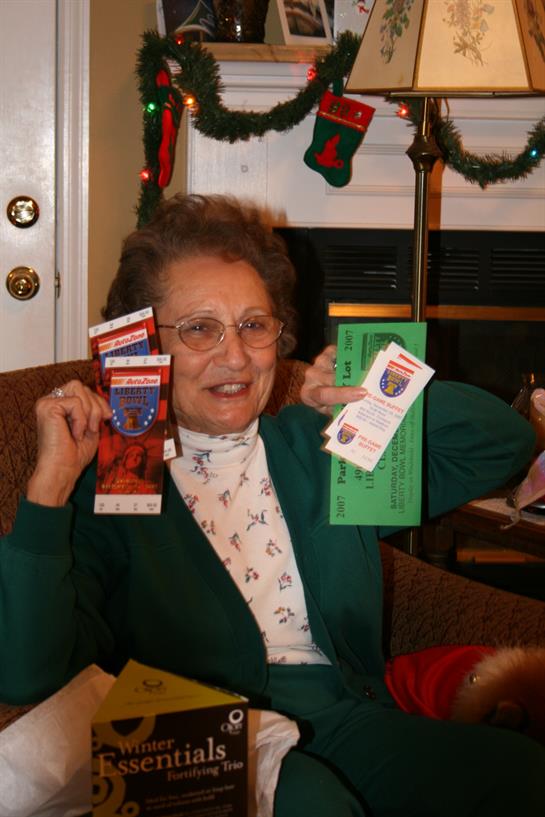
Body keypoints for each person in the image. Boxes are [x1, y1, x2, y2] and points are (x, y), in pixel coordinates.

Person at [1, 193, 543, 817]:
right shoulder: (119, 483)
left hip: (340, 723)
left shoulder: (320, 452)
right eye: (200, 328)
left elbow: (499, 447)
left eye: (254, 326)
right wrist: (48, 490)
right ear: (143, 347)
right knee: (314, 805)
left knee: (520, 774)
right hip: (200, 737)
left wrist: (374, 397)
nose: (234, 356)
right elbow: (26, 674)